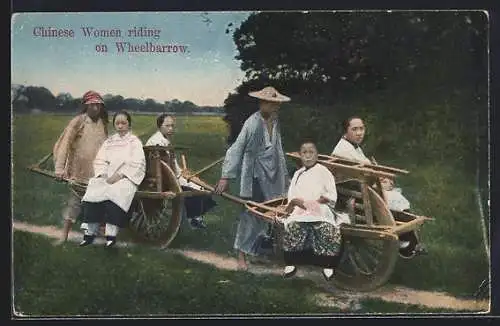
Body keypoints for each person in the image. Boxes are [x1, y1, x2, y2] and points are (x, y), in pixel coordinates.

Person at [214, 86, 291, 271]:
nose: (273, 107)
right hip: (255, 174)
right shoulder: (253, 122)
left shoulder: (275, 120)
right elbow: (236, 149)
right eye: (269, 103)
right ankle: (241, 254)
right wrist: (225, 177)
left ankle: (259, 252)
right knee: (251, 213)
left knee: (271, 213)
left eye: (275, 104)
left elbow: (278, 149)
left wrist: (286, 176)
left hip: (274, 174)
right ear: (261, 103)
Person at [332, 116, 426, 256]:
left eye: (361, 129)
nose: (359, 133)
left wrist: (382, 178)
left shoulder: (351, 146)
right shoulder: (344, 150)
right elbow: (361, 173)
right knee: (395, 200)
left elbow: (365, 168)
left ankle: (408, 240)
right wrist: (381, 181)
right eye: (354, 129)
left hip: (361, 188)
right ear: (345, 132)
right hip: (357, 193)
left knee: (396, 198)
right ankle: (407, 242)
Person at [79, 110, 146, 247]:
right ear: (114, 125)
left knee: (117, 192)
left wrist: (120, 175)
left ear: (129, 125)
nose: (120, 126)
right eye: (117, 123)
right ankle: (89, 233)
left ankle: (111, 235)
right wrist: (103, 174)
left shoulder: (134, 142)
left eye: (123, 123)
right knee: (94, 186)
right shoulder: (109, 142)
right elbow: (100, 160)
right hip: (107, 176)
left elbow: (137, 163)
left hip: (126, 178)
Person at [281, 140, 344, 280]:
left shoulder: (324, 171)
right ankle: (291, 263)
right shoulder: (298, 174)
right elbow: (292, 196)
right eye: (304, 153)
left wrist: (318, 202)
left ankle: (328, 265)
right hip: (301, 208)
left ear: (317, 155)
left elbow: (331, 195)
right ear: (300, 155)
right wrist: (298, 203)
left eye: (311, 152)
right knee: (293, 225)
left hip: (320, 208)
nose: (308, 156)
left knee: (325, 227)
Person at [52, 90, 108, 245]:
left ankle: (103, 237)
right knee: (74, 204)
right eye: (92, 105)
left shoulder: (103, 124)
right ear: (86, 106)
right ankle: (63, 236)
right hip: (78, 172)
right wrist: (59, 169)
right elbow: (64, 145)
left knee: (100, 204)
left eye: (98, 105)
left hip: (97, 174)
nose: (96, 108)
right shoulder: (78, 121)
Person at [145, 113, 217, 229]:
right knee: (197, 189)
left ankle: (196, 218)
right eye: (167, 126)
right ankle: (194, 219)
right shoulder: (158, 142)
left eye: (172, 126)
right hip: (164, 179)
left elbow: (171, 165)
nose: (170, 129)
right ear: (159, 126)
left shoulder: (163, 140)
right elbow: (167, 167)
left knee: (200, 186)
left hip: (167, 176)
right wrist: (182, 175)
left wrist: (184, 173)